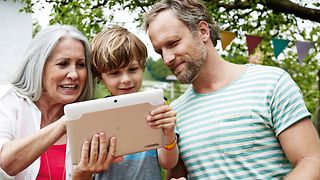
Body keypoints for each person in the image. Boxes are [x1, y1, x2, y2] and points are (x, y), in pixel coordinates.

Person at [144, 0, 320, 179]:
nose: (166, 59)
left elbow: (311, 161)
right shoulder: (175, 113)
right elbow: (176, 176)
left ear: (203, 31)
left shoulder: (271, 83)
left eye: (173, 43)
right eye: (159, 51)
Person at [0, 25, 121, 180]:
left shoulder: (90, 121)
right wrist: (64, 123)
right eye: (63, 63)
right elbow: (4, 163)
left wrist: (82, 176)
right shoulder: (8, 100)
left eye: (81, 65)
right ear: (39, 66)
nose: (74, 74)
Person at [91, 25, 179, 179]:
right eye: (114, 73)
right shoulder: (95, 116)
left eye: (132, 69)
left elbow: (168, 163)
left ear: (142, 68)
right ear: (100, 77)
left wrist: (169, 134)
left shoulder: (156, 108)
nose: (126, 80)